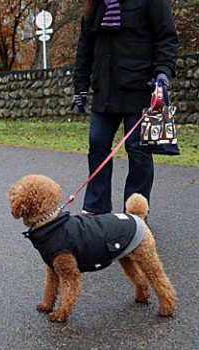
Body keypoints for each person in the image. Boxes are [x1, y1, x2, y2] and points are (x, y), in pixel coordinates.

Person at [70, 0, 178, 215]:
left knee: (138, 151)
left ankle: (135, 213)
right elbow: (85, 48)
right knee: (97, 144)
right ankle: (96, 207)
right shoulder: (95, 5)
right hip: (105, 91)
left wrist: (163, 72)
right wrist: (80, 86)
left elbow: (166, 38)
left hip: (140, 89)